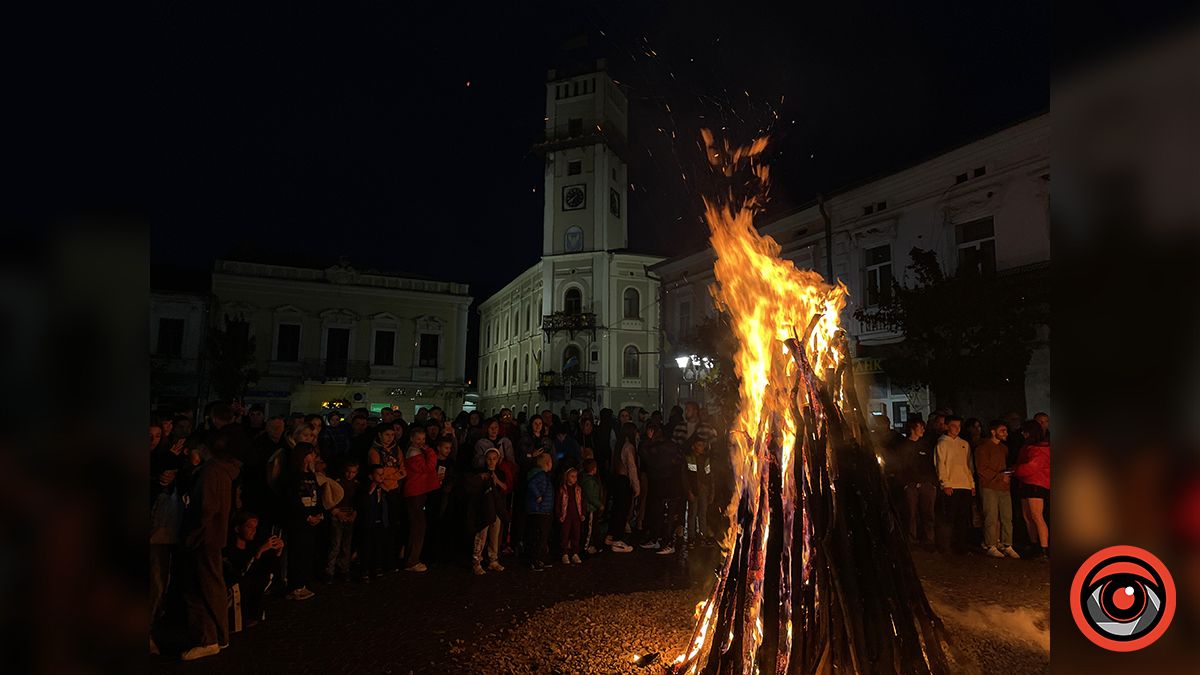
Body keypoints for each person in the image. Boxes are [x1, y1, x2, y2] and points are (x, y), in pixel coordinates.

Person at [178, 425, 242, 661]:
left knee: (199, 587)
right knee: (212, 584)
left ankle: (208, 638)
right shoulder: (225, 471)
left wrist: (191, 535)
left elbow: (205, 508)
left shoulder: (211, 472)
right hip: (214, 536)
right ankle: (219, 635)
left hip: (204, 538)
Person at [223, 512, 283, 628]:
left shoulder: (252, 545)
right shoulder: (229, 550)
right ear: (237, 528)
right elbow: (240, 573)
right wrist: (259, 552)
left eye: (255, 527)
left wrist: (277, 551)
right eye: (249, 527)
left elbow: (268, 568)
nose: (253, 531)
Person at [149, 446, 182, 655]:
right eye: (166, 471)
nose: (168, 475)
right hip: (155, 543)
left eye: (172, 472)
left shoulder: (175, 489)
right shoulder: (154, 490)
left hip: (165, 544)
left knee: (158, 588)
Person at [282, 442, 323, 600]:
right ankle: (295, 585)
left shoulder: (311, 476)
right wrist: (306, 516)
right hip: (299, 520)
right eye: (311, 454)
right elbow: (292, 498)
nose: (314, 457)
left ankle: (304, 582)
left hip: (311, 516)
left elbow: (317, 495)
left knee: (307, 551)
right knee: (297, 552)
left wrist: (319, 513)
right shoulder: (293, 476)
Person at [975, 421, 1019, 559]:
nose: (1005, 433)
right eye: (1002, 431)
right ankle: (991, 544)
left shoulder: (1004, 448)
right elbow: (981, 469)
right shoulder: (982, 448)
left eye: (1006, 431)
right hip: (989, 487)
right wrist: (1000, 476)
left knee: (1007, 516)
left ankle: (1007, 544)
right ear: (993, 432)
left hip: (1003, 487)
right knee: (991, 516)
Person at [890, 420, 937, 549]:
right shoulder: (903, 446)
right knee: (911, 513)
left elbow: (930, 466)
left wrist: (932, 483)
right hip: (911, 486)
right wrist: (907, 483)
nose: (923, 430)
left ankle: (929, 540)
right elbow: (900, 467)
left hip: (926, 485)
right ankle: (912, 539)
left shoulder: (925, 446)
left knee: (928, 513)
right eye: (920, 427)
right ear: (912, 429)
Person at [641, 422, 686, 555]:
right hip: (661, 487)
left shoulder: (663, 447)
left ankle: (668, 542)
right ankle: (658, 539)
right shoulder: (664, 446)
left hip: (669, 487)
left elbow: (646, 455)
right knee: (659, 515)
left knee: (667, 516)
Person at [934, 416, 975, 554]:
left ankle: (961, 546)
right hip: (951, 485)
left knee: (963, 518)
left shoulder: (964, 444)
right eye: (953, 426)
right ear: (946, 426)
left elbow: (968, 465)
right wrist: (945, 483)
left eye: (959, 426)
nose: (957, 429)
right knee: (949, 517)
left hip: (965, 485)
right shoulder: (942, 444)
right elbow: (941, 465)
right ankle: (947, 545)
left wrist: (971, 484)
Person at [403, 428, 440, 572]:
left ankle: (411, 557)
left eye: (423, 439)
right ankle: (412, 560)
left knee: (417, 526)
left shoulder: (413, 452)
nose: (421, 442)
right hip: (415, 492)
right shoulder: (414, 453)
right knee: (418, 527)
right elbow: (429, 468)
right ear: (412, 439)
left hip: (417, 492)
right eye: (418, 439)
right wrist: (430, 451)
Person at [467, 448, 508, 575]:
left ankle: (493, 560)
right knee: (481, 535)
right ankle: (477, 562)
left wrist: (497, 481)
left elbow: (505, 488)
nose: (491, 461)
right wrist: (480, 478)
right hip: (483, 509)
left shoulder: (500, 473)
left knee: (494, 536)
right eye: (489, 459)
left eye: (494, 459)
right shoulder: (480, 472)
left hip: (496, 509)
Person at [1014, 420, 1051, 559]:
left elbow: (1031, 467)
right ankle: (1035, 544)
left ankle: (1043, 548)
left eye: (1025, 431)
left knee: (1036, 516)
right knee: (1028, 516)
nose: (1023, 434)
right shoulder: (1030, 447)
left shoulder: (1039, 449)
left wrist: (1015, 470)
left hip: (1035, 484)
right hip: (1026, 483)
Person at [607, 422, 640, 552]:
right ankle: (617, 540)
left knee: (616, 509)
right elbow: (632, 467)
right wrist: (637, 486)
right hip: (624, 481)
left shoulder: (618, 445)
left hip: (616, 479)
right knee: (622, 511)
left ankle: (610, 535)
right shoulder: (628, 447)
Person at [356, 465, 392, 581]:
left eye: (383, 474)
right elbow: (363, 503)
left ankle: (377, 567)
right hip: (368, 522)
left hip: (380, 521)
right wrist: (370, 491)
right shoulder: (365, 489)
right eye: (379, 474)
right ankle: (364, 569)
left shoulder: (382, 489)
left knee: (378, 545)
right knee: (366, 546)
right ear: (371, 476)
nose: (382, 476)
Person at [325, 461, 359, 579]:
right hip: (337, 515)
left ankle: (344, 569)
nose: (350, 475)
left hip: (349, 515)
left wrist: (354, 514)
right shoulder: (336, 482)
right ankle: (330, 571)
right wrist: (336, 512)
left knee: (346, 545)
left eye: (353, 472)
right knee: (336, 544)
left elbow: (357, 501)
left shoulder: (356, 484)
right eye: (348, 472)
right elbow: (329, 499)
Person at [525, 453, 554, 571]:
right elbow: (532, 485)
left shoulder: (541, 475)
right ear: (548, 464)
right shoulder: (541, 476)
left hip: (541, 510)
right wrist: (538, 496)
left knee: (541, 536)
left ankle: (540, 559)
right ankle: (535, 560)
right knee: (539, 536)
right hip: (540, 510)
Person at [684, 437, 713, 547]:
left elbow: (709, 476)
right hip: (693, 490)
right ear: (693, 446)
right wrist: (689, 491)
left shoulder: (705, 459)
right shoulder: (688, 458)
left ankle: (702, 537)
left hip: (703, 490)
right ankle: (691, 538)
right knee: (692, 513)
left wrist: (711, 491)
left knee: (702, 514)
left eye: (703, 445)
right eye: (699, 445)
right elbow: (685, 477)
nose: (702, 447)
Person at [558, 467, 585, 564]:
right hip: (566, 516)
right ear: (566, 477)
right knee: (565, 534)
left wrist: (582, 513)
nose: (574, 479)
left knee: (576, 534)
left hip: (576, 516)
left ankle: (574, 553)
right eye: (572, 476)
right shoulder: (562, 489)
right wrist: (559, 515)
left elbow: (582, 502)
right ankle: (564, 553)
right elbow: (558, 503)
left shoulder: (578, 489)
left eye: (576, 476)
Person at [579, 459, 606, 555]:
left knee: (593, 527)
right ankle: (584, 549)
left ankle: (595, 546)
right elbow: (591, 496)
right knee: (589, 529)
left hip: (592, 508)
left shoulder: (588, 480)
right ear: (594, 469)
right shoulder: (589, 482)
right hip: (590, 508)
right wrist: (599, 504)